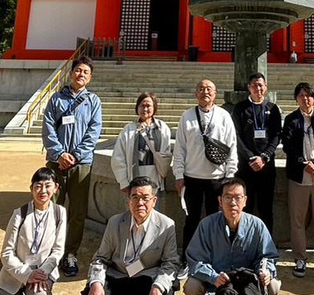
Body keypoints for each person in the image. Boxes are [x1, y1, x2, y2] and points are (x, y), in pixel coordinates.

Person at [81, 176, 180, 295]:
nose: (140, 203)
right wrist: (96, 283)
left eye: (145, 198)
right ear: (128, 200)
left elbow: (171, 262)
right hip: (119, 275)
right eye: (135, 197)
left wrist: (158, 287)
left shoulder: (166, 225)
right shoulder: (115, 222)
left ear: (154, 201)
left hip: (148, 276)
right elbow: (101, 258)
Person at [41, 57, 102, 277]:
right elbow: (47, 128)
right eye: (78, 70)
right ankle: (48, 251)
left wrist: (75, 155)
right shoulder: (56, 99)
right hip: (56, 163)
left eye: (86, 72)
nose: (81, 75)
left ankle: (70, 253)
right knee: (51, 208)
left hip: (81, 164)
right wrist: (59, 154)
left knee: (77, 211)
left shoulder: (93, 101)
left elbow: (93, 132)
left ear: (90, 77)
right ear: (71, 73)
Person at [0, 168, 67, 295]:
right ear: (31, 188)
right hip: (14, 275)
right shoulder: (20, 214)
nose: (43, 191)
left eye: (48, 186)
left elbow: (58, 250)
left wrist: (42, 273)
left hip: (41, 275)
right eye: (38, 186)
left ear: (56, 188)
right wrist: (27, 274)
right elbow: (7, 252)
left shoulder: (59, 213)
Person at [183, 178, 280, 295]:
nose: (233, 203)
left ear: (245, 200)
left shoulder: (257, 225)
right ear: (220, 201)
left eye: (238, 197)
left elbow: (268, 256)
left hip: (247, 285)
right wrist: (214, 277)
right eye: (228, 197)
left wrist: (265, 271)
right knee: (192, 287)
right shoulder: (206, 225)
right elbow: (195, 260)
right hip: (216, 284)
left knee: (273, 285)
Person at [174, 79, 238, 252]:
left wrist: (230, 174)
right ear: (196, 94)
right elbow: (179, 148)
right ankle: (188, 256)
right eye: (201, 89)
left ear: (215, 94)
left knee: (216, 219)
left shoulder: (224, 116)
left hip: (217, 178)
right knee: (191, 219)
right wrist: (179, 175)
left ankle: (216, 254)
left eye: (209, 89)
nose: (205, 92)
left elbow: (231, 145)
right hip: (192, 176)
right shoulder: (186, 116)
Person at [282, 81, 314, 277]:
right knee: (297, 219)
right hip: (299, 177)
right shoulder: (291, 120)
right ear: (296, 99)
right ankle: (300, 258)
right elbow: (288, 146)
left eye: (309, 95)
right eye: (301, 96)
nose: (306, 99)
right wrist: (304, 163)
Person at [231, 72, 283, 234]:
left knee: (266, 208)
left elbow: (276, 136)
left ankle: (266, 247)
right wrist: (250, 157)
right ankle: (244, 244)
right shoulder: (240, 108)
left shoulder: (273, 109)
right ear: (249, 88)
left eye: (261, 85)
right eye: (254, 85)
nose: (258, 88)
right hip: (246, 167)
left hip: (266, 167)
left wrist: (264, 157)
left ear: (266, 88)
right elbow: (236, 136)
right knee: (245, 207)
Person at [111, 93, 174, 205]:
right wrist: (124, 182)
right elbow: (118, 157)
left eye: (148, 106)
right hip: (135, 176)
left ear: (154, 107)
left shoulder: (163, 128)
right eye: (142, 105)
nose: (145, 109)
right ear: (137, 108)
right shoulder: (128, 130)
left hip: (155, 177)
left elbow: (166, 153)